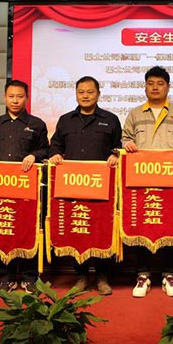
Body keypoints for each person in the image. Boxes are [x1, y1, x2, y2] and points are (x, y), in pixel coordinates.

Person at [122, 65, 173, 298]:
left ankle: (169, 274)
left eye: (160, 83)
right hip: (141, 181)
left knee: (171, 226)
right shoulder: (135, 114)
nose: (155, 87)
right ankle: (142, 274)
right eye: (151, 83)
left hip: (171, 183)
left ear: (168, 87)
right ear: (145, 87)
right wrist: (127, 145)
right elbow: (125, 138)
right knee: (143, 225)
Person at [50, 76, 121, 296]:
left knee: (101, 230)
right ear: (76, 94)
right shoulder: (65, 120)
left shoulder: (110, 119)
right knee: (78, 229)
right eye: (81, 92)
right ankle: (80, 276)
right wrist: (55, 155)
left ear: (98, 94)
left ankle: (102, 277)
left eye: (90, 92)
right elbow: (55, 145)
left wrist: (115, 155)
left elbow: (118, 146)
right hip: (73, 185)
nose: (85, 96)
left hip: (101, 186)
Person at [0, 79, 49, 294]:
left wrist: (33, 155)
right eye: (11, 96)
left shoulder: (37, 124)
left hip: (27, 187)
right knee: (5, 228)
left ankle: (29, 277)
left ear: (26, 98)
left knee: (28, 229)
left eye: (19, 96)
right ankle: (7, 276)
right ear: (4, 98)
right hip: (0, 187)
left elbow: (45, 150)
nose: (15, 100)